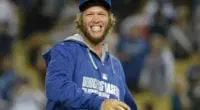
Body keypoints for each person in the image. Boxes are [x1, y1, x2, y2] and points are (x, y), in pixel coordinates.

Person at [43, 0, 137, 110]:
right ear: (80, 20)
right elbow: (57, 88)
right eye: (90, 14)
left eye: (101, 14)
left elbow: (127, 105)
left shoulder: (115, 65)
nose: (96, 19)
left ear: (110, 20)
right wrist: (100, 103)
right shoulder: (64, 51)